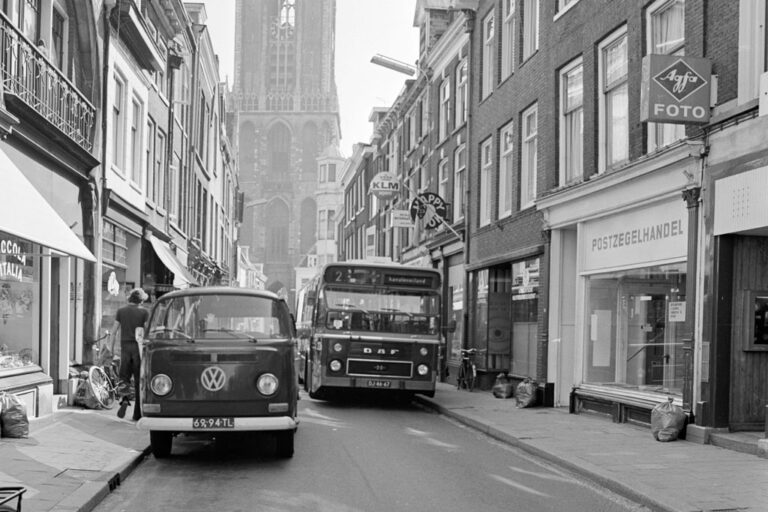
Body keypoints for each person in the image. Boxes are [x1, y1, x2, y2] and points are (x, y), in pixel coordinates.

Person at [110, 288, 149, 420]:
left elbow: (114, 331)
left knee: (124, 377)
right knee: (139, 380)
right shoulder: (144, 312)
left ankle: (125, 399)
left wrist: (111, 347)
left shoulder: (121, 311)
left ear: (130, 298)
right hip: (138, 349)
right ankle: (137, 413)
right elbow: (147, 330)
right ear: (141, 300)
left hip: (125, 348)